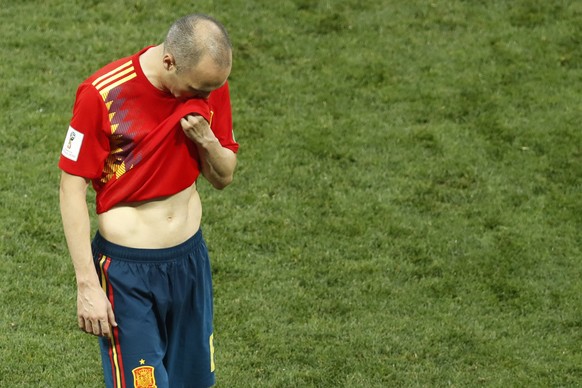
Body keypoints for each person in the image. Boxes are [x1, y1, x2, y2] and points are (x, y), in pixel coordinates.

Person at [58, 13, 238, 388]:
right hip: (128, 273)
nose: (206, 98)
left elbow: (224, 176)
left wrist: (207, 140)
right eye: (197, 90)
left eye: (212, 89)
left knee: (195, 384)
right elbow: (71, 188)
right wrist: (87, 286)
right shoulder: (102, 94)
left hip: (189, 262)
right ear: (170, 61)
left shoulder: (208, 81)